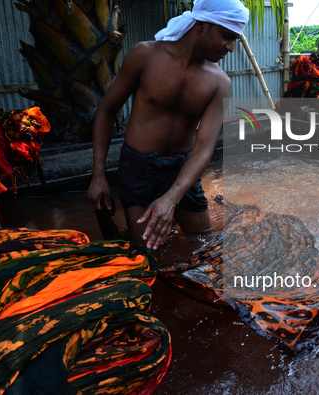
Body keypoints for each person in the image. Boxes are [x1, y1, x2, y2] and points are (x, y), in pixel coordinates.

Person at [88, 0, 249, 251]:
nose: (231, 47)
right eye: (226, 36)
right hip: (138, 169)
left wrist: (172, 197)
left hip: (181, 169)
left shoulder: (219, 83)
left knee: (207, 249)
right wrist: (98, 175)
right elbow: (107, 110)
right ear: (201, 25)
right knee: (148, 256)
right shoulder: (145, 55)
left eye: (234, 39)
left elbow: (204, 148)